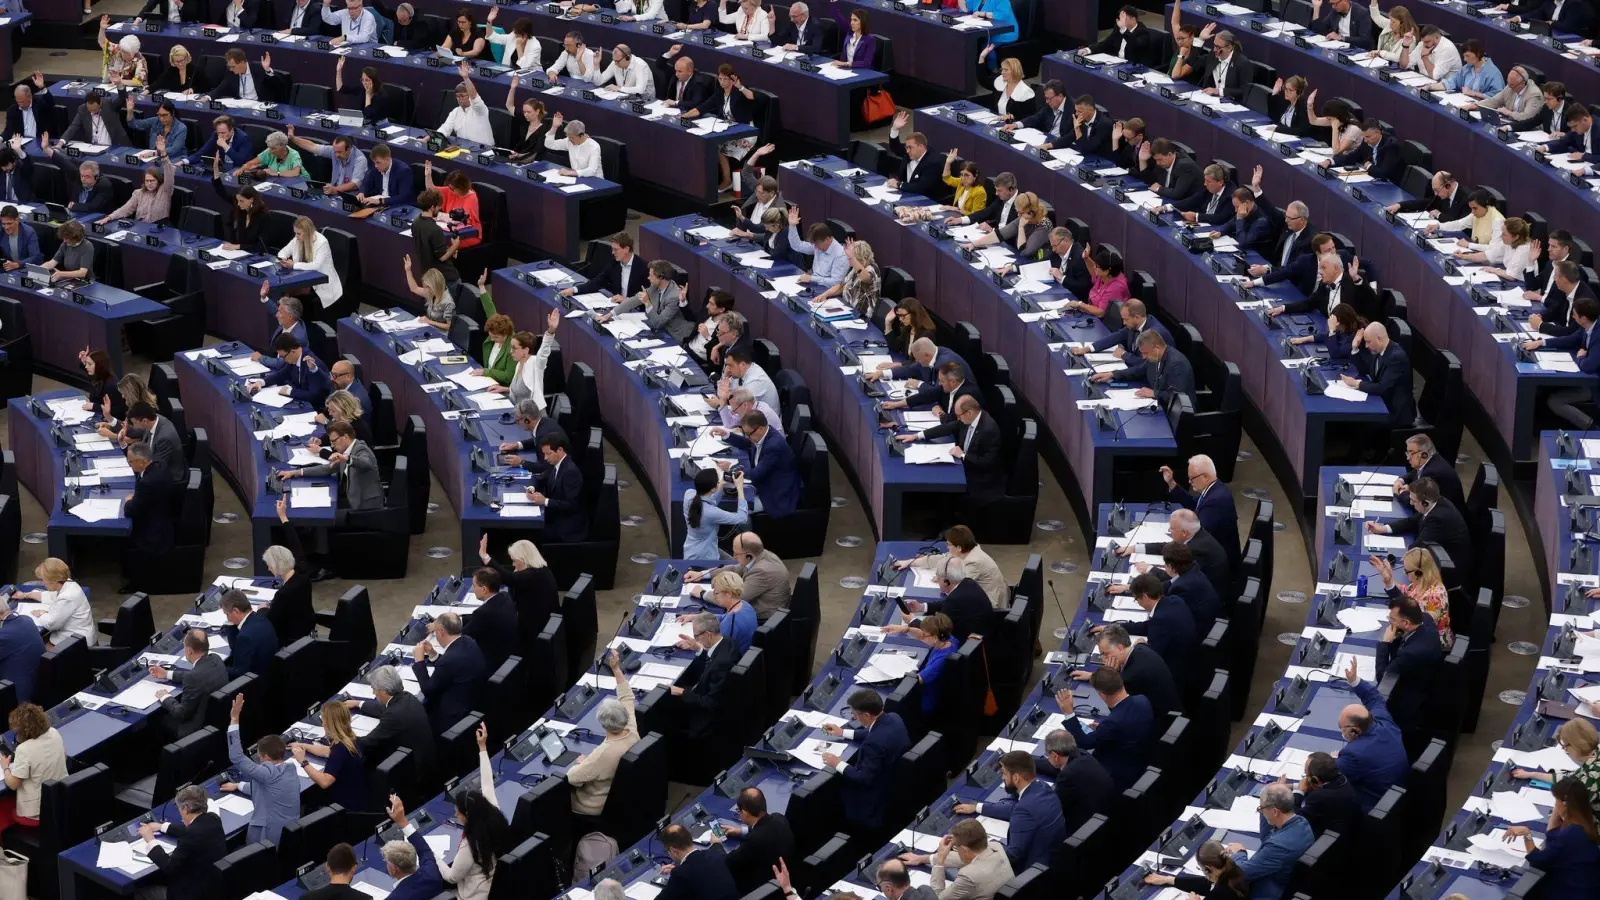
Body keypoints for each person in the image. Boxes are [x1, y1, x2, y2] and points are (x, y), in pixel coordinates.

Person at [949, 751, 1065, 870]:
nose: (1002, 777)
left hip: (1031, 870)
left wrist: (984, 844)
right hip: (1054, 858)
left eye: (1004, 773)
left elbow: (1012, 855)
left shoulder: (1023, 810)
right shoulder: (1043, 788)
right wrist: (977, 807)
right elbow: (1014, 810)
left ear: (1016, 777)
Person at [820, 689, 911, 831]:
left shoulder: (873, 744)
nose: (854, 718)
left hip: (875, 797)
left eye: (855, 714)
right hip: (894, 779)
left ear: (867, 715)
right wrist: (842, 732)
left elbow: (863, 777)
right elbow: (873, 731)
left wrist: (837, 763)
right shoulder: (893, 718)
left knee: (829, 791)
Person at [567, 649, 638, 827]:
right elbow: (627, 697)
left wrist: (584, 763)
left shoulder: (603, 754)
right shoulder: (631, 729)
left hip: (593, 805)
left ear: (603, 724)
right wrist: (616, 669)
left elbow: (572, 778)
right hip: (623, 797)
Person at [897, 396, 1004, 507]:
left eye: (959, 415)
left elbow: (987, 463)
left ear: (970, 413)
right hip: (965, 464)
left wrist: (963, 455)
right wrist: (916, 436)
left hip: (979, 477)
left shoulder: (989, 430)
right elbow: (947, 428)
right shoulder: (968, 418)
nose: (957, 418)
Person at [439, 725, 508, 900]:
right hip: (496, 887)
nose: (456, 816)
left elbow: (452, 876)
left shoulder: (470, 844)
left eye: (458, 813)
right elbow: (487, 785)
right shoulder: (494, 815)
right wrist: (482, 748)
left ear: (468, 815)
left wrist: (434, 858)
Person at [221, 695, 299, 843]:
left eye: (259, 757)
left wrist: (234, 718)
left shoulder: (267, 774)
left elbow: (236, 756)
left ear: (267, 757)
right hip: (289, 834)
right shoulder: (290, 769)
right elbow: (267, 790)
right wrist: (238, 785)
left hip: (267, 837)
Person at [1336, 659, 1410, 810]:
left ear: (1354, 730)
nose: (1341, 731)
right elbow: (1374, 698)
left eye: (1341, 727)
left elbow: (1326, 777)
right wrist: (1354, 680)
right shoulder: (1383, 722)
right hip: (1396, 795)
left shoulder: (1353, 754)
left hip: (1371, 807)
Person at [1063, 668, 1154, 791]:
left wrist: (1069, 713)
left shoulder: (1112, 723)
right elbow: (1125, 721)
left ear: (1102, 695)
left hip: (1115, 773)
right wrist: (1104, 729)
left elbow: (1084, 743)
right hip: (1140, 760)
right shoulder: (1142, 700)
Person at [1507, 777, 1600, 896]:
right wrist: (1561, 806)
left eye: (1556, 800)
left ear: (1565, 804)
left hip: (1572, 892)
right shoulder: (1586, 823)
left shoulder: (1570, 835)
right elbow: (1551, 834)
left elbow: (1537, 860)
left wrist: (1527, 834)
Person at [1220, 783, 1313, 900]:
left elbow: (1241, 874)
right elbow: (1266, 838)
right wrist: (1264, 805)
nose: (1260, 812)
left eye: (1261, 809)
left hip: (1267, 891)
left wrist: (1240, 853)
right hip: (1289, 880)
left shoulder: (1278, 846)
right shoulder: (1301, 821)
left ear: (1275, 812)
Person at [1367, 477, 1473, 579]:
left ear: (1425, 503)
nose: (1410, 503)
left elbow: (1416, 550)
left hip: (1448, 574)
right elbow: (1412, 521)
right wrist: (1383, 528)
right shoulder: (1435, 502)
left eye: (1413, 500)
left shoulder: (1438, 519)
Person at [280, 421, 382, 525]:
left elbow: (366, 463)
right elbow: (327, 468)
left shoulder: (361, 449)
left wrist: (346, 458)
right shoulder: (345, 451)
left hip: (364, 510)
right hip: (347, 498)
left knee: (320, 518)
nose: (332, 446)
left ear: (345, 437)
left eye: (334, 441)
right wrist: (295, 472)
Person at [1524, 293, 1600, 427]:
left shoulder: (1598, 335)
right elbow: (1570, 339)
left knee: (1555, 401)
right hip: (1583, 377)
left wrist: (1581, 357)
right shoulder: (1587, 326)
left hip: (1593, 386)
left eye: (1575, 314)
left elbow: (1589, 366)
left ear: (1583, 318)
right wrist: (1542, 342)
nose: (1572, 317)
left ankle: (1591, 428)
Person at [139, 785, 226, 900]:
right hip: (213, 887)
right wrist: (161, 826)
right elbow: (193, 829)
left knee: (140, 891)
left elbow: (169, 867)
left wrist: (150, 840)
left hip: (190, 894)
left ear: (185, 808)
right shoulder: (213, 819)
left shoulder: (190, 836)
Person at [477, 535, 561, 654]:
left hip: (533, 634)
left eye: (514, 561)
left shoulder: (532, 576)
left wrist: (485, 557)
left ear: (523, 560)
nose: (513, 564)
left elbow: (510, 578)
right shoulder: (541, 571)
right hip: (539, 626)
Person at [1373, 597, 1444, 732]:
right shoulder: (1426, 620)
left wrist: (1385, 643)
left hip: (1409, 702)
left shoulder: (1411, 653)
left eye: (1393, 619)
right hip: (1423, 679)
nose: (1389, 622)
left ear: (1406, 623)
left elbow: (1383, 679)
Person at [685, 532, 792, 622]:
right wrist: (703, 574)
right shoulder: (760, 554)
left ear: (748, 555)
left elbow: (734, 599)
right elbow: (736, 568)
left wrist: (702, 594)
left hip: (763, 619)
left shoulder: (762, 571)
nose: (734, 557)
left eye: (737, 554)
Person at [348, 666, 436, 772]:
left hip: (413, 769)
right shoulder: (408, 697)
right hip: (425, 757)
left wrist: (342, 738)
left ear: (384, 691)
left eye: (374, 689)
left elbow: (367, 742)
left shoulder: (393, 715)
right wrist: (359, 704)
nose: (373, 693)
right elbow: (385, 709)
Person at [1116, 573, 1200, 683]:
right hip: (1190, 662)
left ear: (1145, 597)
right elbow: (1148, 626)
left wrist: (1140, 645)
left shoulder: (1160, 619)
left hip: (1174, 674)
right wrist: (1119, 627)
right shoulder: (1174, 601)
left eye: (1136, 599)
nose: (1138, 603)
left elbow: (1151, 657)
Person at [411, 611, 486, 734]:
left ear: (441, 632)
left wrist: (419, 662)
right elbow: (452, 667)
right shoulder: (467, 641)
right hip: (473, 700)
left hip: (452, 714)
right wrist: (433, 654)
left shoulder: (447, 660)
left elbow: (428, 691)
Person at [0, 703, 65, 844]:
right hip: (59, 802)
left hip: (36, 814)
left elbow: (13, 784)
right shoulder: (54, 733)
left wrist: (5, 767)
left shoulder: (24, 749)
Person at [897, 526, 1007, 608]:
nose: (946, 547)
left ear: (959, 547)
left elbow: (955, 587)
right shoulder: (965, 550)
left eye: (949, 544)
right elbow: (940, 559)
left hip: (991, 606)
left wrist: (943, 576)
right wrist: (910, 562)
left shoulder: (974, 562)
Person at [717, 411, 801, 518]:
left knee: (736, 508)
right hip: (763, 482)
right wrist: (726, 435)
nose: (747, 437)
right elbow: (747, 443)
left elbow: (756, 474)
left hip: (775, 495)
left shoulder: (774, 446)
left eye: (748, 434)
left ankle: (745, 533)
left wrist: (731, 467)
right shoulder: (764, 433)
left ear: (760, 429)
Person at [289, 700, 367, 813]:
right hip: (356, 793)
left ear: (331, 723)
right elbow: (328, 750)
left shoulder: (340, 750)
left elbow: (324, 782)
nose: (322, 724)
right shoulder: (351, 739)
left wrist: (303, 761)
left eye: (324, 720)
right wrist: (303, 745)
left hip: (343, 805)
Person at [1163, 454, 1240, 565]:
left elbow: (1197, 536)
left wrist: (1175, 534)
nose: (1189, 482)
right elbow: (1194, 504)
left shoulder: (1215, 501)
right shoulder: (1214, 489)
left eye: (1192, 478)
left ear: (1205, 477)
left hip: (1218, 565)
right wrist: (1171, 483)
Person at [672, 612, 739, 740]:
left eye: (696, 636)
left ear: (708, 634)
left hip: (709, 717)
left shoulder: (721, 665)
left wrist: (681, 692)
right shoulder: (727, 641)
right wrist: (699, 649)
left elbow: (710, 703)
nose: (695, 639)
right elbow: (711, 662)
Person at [714, 788, 794, 895]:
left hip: (764, 890)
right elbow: (765, 828)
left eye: (739, 811)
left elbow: (727, 863)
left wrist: (716, 844)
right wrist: (741, 831)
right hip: (789, 879)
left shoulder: (752, 841)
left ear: (745, 813)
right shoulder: (779, 818)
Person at [1036, 729, 1115, 838]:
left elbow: (1052, 808)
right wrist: (1029, 763)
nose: (1047, 758)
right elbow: (1055, 767)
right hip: (1105, 817)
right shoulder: (1082, 754)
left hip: (1084, 829)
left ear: (1054, 755)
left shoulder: (1068, 775)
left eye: (1047, 755)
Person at [1091, 329, 1197, 409]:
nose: (1144, 357)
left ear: (1156, 348)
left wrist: (1154, 393)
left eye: (1145, 353)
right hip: (1160, 406)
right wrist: (1112, 374)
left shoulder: (1176, 364)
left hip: (1177, 415)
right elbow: (1138, 370)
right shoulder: (1155, 356)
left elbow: (1178, 398)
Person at [153, 629, 228, 740]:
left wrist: (165, 697)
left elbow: (182, 713)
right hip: (220, 721)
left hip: (195, 730)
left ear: (189, 651)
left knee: (157, 719)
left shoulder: (193, 677)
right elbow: (195, 675)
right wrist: (166, 674)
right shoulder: (215, 659)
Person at [1342, 321, 1416, 430]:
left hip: (1395, 412)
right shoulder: (1379, 351)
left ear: (1379, 339)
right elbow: (1364, 370)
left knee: (1358, 423)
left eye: (1368, 342)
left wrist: (1358, 384)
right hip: (1383, 402)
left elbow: (1382, 387)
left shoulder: (1396, 357)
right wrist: (1355, 349)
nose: (1366, 346)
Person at [1375, 546, 1452, 647]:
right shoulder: (1420, 582)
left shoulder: (1435, 596)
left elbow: (1420, 626)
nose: (1405, 574)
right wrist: (1388, 580)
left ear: (1418, 572)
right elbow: (1405, 593)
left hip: (1432, 646)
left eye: (1407, 571)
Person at [262, 500, 315, 644]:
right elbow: (295, 543)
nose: (268, 569)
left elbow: (269, 621)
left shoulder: (283, 594)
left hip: (290, 640)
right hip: (308, 630)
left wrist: (262, 609)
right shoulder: (302, 570)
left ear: (277, 566)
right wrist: (283, 516)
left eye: (269, 565)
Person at [1513, 719, 1600, 806]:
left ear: (1574, 747)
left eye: (1565, 745)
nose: (1565, 749)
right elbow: (1572, 777)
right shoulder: (1595, 754)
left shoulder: (1588, 782)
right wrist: (1532, 774)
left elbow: (1565, 815)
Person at [603, 259, 693, 340]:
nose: (648, 278)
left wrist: (647, 303)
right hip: (657, 328)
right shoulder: (654, 286)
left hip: (673, 333)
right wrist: (609, 315)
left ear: (661, 277)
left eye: (651, 276)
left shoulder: (674, 296)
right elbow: (633, 301)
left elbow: (658, 323)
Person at [378, 794, 445, 900]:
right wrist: (402, 821)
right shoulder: (431, 873)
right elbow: (424, 850)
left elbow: (424, 851)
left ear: (393, 869)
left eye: (386, 861)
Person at [926, 819, 1014, 900]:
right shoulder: (996, 847)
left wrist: (940, 861)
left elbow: (938, 898)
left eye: (956, 847)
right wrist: (926, 859)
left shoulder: (968, 876)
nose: (955, 849)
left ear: (965, 850)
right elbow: (967, 859)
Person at [18, 558, 92, 648]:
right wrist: (26, 595)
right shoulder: (69, 584)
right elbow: (51, 597)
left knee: (34, 649)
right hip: (77, 636)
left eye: (44, 580)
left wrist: (40, 614)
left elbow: (51, 624)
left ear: (53, 580)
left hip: (77, 643)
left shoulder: (67, 597)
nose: (43, 584)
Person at [526, 433, 587, 542]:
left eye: (548, 454)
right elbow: (542, 477)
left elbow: (571, 505)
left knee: (528, 533)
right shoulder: (557, 463)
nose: (545, 458)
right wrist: (532, 488)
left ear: (560, 450)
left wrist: (545, 501)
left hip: (567, 526)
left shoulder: (570, 472)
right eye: (544, 454)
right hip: (555, 515)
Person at [1142, 840, 1248, 900]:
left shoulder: (1219, 893)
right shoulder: (1234, 870)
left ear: (1208, 869)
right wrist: (1169, 879)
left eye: (1201, 869)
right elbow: (1206, 883)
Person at [658, 823, 738, 900]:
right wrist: (680, 869)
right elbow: (700, 870)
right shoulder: (716, 854)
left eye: (667, 851)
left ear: (673, 851)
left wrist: (679, 871)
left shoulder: (680, 874)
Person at [461, 568, 518, 674]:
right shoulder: (505, 597)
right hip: (508, 656)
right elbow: (477, 620)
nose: (473, 590)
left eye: (474, 586)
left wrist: (444, 625)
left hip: (490, 665)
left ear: (484, 589)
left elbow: (463, 637)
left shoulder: (483, 613)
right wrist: (458, 619)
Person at [683, 468, 748, 561]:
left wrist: (721, 484)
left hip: (691, 550)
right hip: (706, 558)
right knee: (739, 567)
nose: (719, 482)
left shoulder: (688, 494)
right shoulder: (712, 513)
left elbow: (709, 501)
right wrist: (740, 488)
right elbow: (742, 518)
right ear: (713, 488)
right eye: (717, 482)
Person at [252, 333, 331, 407]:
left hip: (316, 408)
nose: (283, 360)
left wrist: (290, 392)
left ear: (293, 352)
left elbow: (314, 395)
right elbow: (280, 375)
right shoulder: (293, 359)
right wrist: (261, 382)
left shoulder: (311, 364)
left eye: (283, 357)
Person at [1293, 751, 1361, 838]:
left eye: (1306, 775)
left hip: (1330, 841)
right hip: (1353, 831)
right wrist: (1292, 786)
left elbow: (1295, 819)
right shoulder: (1341, 778)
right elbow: (1314, 785)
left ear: (1315, 779)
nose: (1305, 778)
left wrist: (1299, 792)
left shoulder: (1318, 797)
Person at [219, 590, 278, 679]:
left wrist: (217, 669)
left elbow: (239, 674)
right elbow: (237, 649)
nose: (227, 618)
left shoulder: (244, 637)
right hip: (271, 673)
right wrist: (231, 624)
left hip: (257, 684)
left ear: (235, 611)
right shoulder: (261, 618)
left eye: (227, 614)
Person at [885, 113, 946, 200]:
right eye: (906, 147)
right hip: (904, 194)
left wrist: (898, 184)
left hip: (924, 200)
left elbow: (920, 187)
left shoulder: (933, 162)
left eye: (910, 147)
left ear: (921, 146)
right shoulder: (910, 151)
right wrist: (895, 129)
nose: (907, 151)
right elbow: (896, 147)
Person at [786, 208, 850, 290]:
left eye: (817, 244)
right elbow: (797, 246)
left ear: (827, 239)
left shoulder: (841, 254)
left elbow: (836, 282)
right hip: (813, 285)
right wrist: (792, 226)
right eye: (813, 244)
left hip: (827, 290)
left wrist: (812, 278)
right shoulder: (818, 246)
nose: (815, 247)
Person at [288, 130, 367, 197]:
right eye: (335, 151)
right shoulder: (334, 150)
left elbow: (354, 185)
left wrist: (335, 189)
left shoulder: (360, 159)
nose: (336, 155)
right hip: (333, 190)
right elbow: (312, 146)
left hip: (350, 194)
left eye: (339, 152)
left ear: (349, 148)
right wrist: (293, 138)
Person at [213, 165, 267, 253]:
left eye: (241, 201)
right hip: (236, 252)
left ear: (251, 200)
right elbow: (222, 193)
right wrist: (216, 172)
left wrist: (237, 246)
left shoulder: (263, 216)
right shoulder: (240, 208)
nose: (238, 204)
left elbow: (261, 245)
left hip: (253, 254)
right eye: (238, 200)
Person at [333, 59, 402, 126]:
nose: (364, 83)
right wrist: (339, 71)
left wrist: (368, 96)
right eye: (362, 80)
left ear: (374, 81)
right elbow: (341, 88)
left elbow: (368, 116)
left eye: (367, 80)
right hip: (365, 124)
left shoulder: (382, 97)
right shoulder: (362, 90)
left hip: (379, 126)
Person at [1425, 38, 1504, 97]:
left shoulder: (1494, 74)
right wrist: (1429, 87)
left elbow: (1497, 98)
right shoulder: (1467, 68)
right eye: (1464, 56)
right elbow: (1451, 82)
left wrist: (1474, 94)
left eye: (1468, 56)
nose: (1465, 59)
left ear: (1478, 54)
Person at [61, 91, 130, 149]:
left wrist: (119, 84)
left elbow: (123, 98)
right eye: (90, 110)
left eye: (95, 110)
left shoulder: (109, 105)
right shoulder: (83, 109)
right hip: (94, 148)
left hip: (116, 147)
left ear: (100, 104)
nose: (93, 112)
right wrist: (62, 142)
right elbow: (74, 126)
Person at [542, 113, 604, 178]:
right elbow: (549, 144)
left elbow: (592, 170)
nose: (569, 140)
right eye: (568, 137)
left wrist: (570, 172)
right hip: (576, 178)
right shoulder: (568, 141)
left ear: (581, 135)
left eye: (572, 137)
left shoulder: (594, 146)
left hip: (594, 180)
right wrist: (554, 127)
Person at [1094, 5, 1159, 64]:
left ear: (1133, 19)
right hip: (1116, 63)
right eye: (1120, 18)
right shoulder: (1118, 28)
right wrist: (1089, 49)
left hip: (1133, 66)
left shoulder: (1143, 31)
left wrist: (1124, 30)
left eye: (1123, 18)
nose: (1120, 21)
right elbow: (1107, 43)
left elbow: (1136, 45)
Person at [403, 264, 457, 329]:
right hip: (430, 328)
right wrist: (408, 270)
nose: (426, 290)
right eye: (426, 287)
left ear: (436, 285)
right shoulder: (432, 293)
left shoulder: (448, 302)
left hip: (442, 333)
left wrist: (429, 322)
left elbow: (449, 326)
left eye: (428, 287)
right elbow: (414, 288)